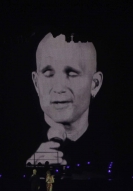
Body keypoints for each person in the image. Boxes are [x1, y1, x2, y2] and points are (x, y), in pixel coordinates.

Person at [26, 32, 114, 179]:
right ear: (36, 83)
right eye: (48, 73)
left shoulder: (112, 147)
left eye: (72, 73)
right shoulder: (7, 148)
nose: (59, 88)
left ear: (95, 84)